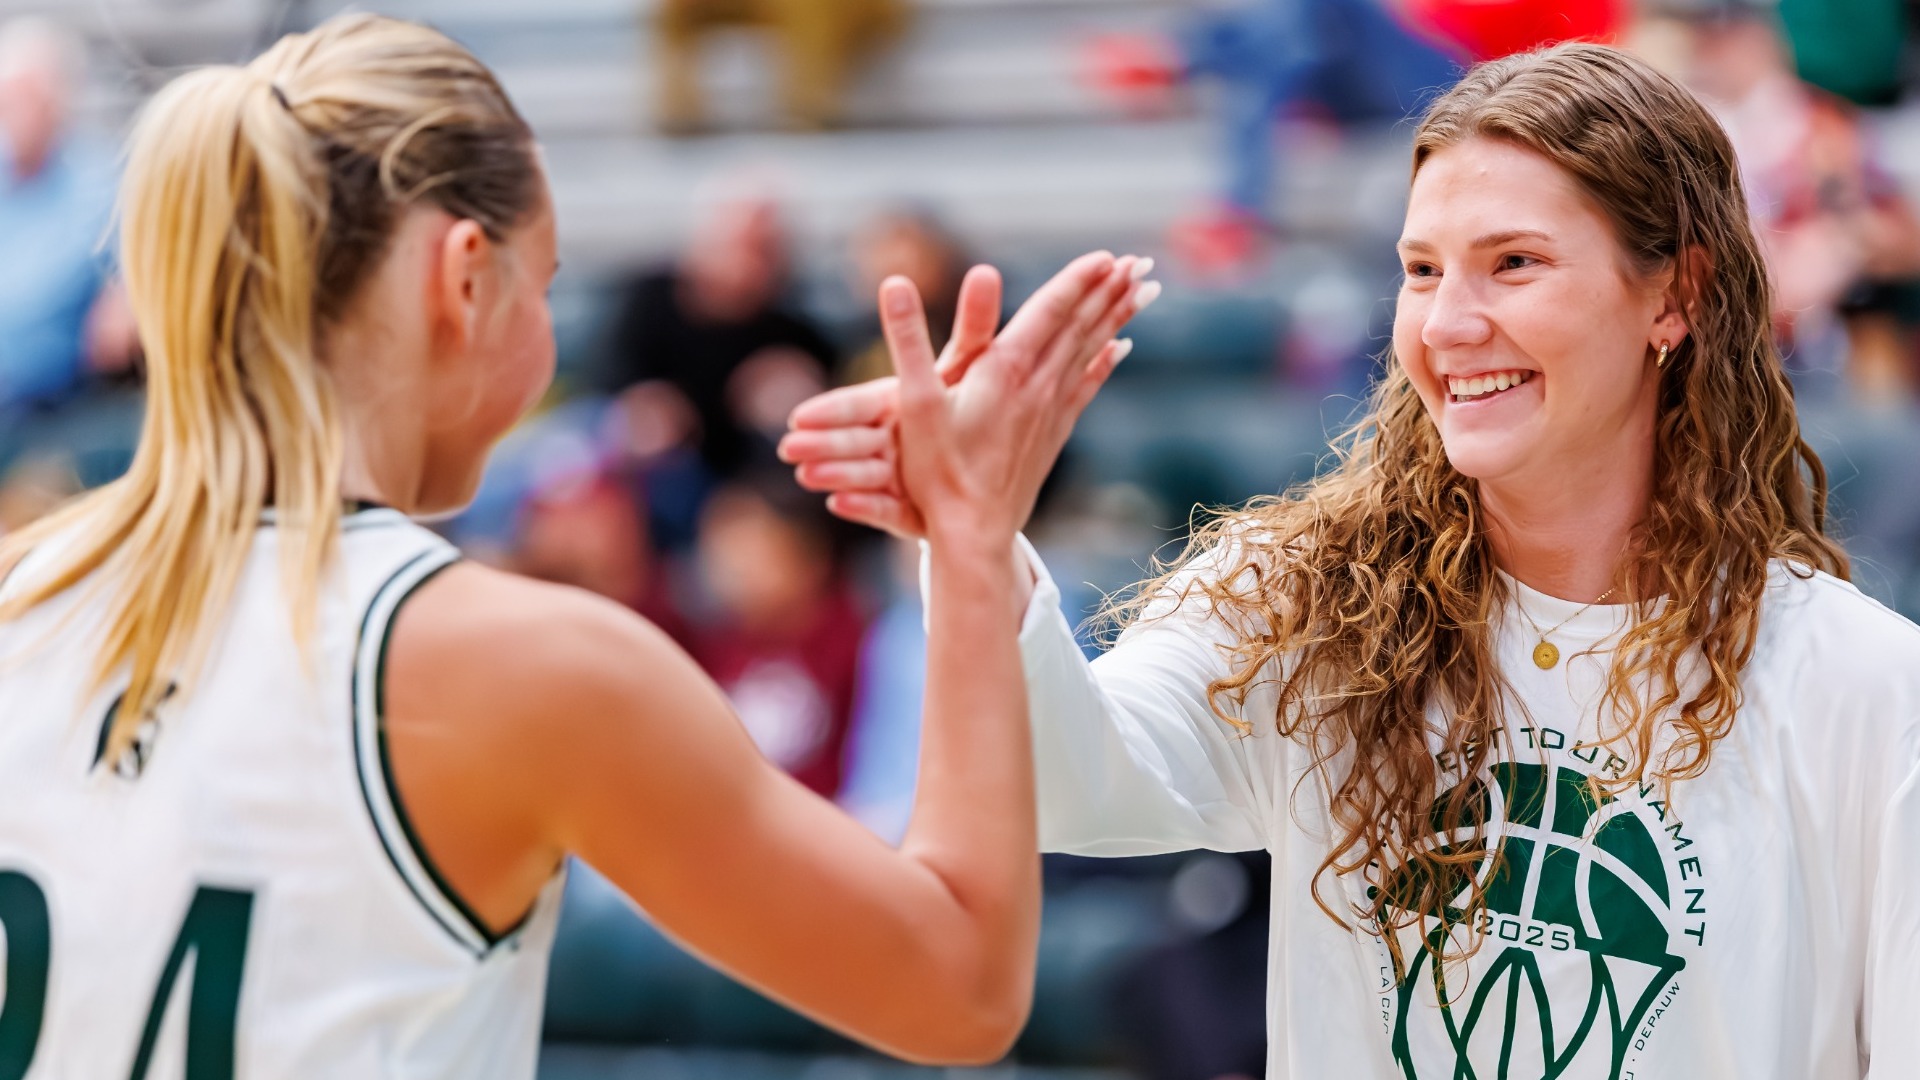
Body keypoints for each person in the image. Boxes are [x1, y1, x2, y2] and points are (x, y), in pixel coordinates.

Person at [0, 14, 1152, 1076]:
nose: (552, 334)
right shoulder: (523, 666)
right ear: (463, 279)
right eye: (544, 286)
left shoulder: (21, 588)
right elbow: (956, 987)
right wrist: (966, 533)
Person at [783, 42, 1920, 1078]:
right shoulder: (1307, 598)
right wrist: (973, 547)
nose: (1447, 323)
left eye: (1512, 263)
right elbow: (1065, 786)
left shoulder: (1867, 688)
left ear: (1676, 294)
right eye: (1421, 270)